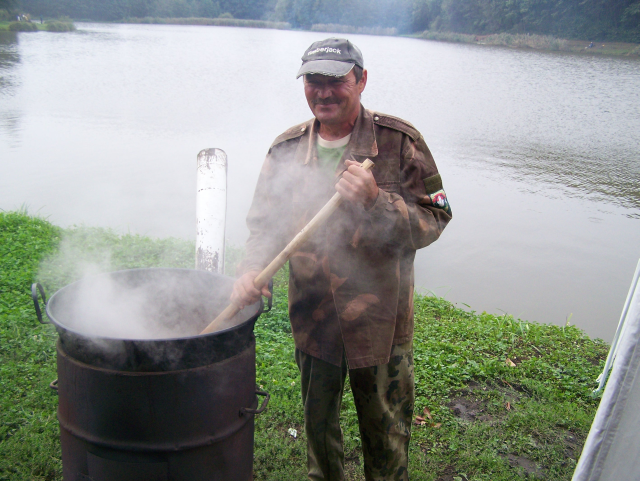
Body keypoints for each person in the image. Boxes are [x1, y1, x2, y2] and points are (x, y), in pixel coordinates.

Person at [231, 38, 452, 481]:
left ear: (361, 80)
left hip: (381, 322)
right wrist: (251, 267)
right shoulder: (286, 149)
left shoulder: (398, 141)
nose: (324, 92)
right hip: (314, 319)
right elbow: (264, 224)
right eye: (314, 80)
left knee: (385, 438)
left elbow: (435, 217)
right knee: (319, 434)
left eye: (337, 80)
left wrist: (377, 201)